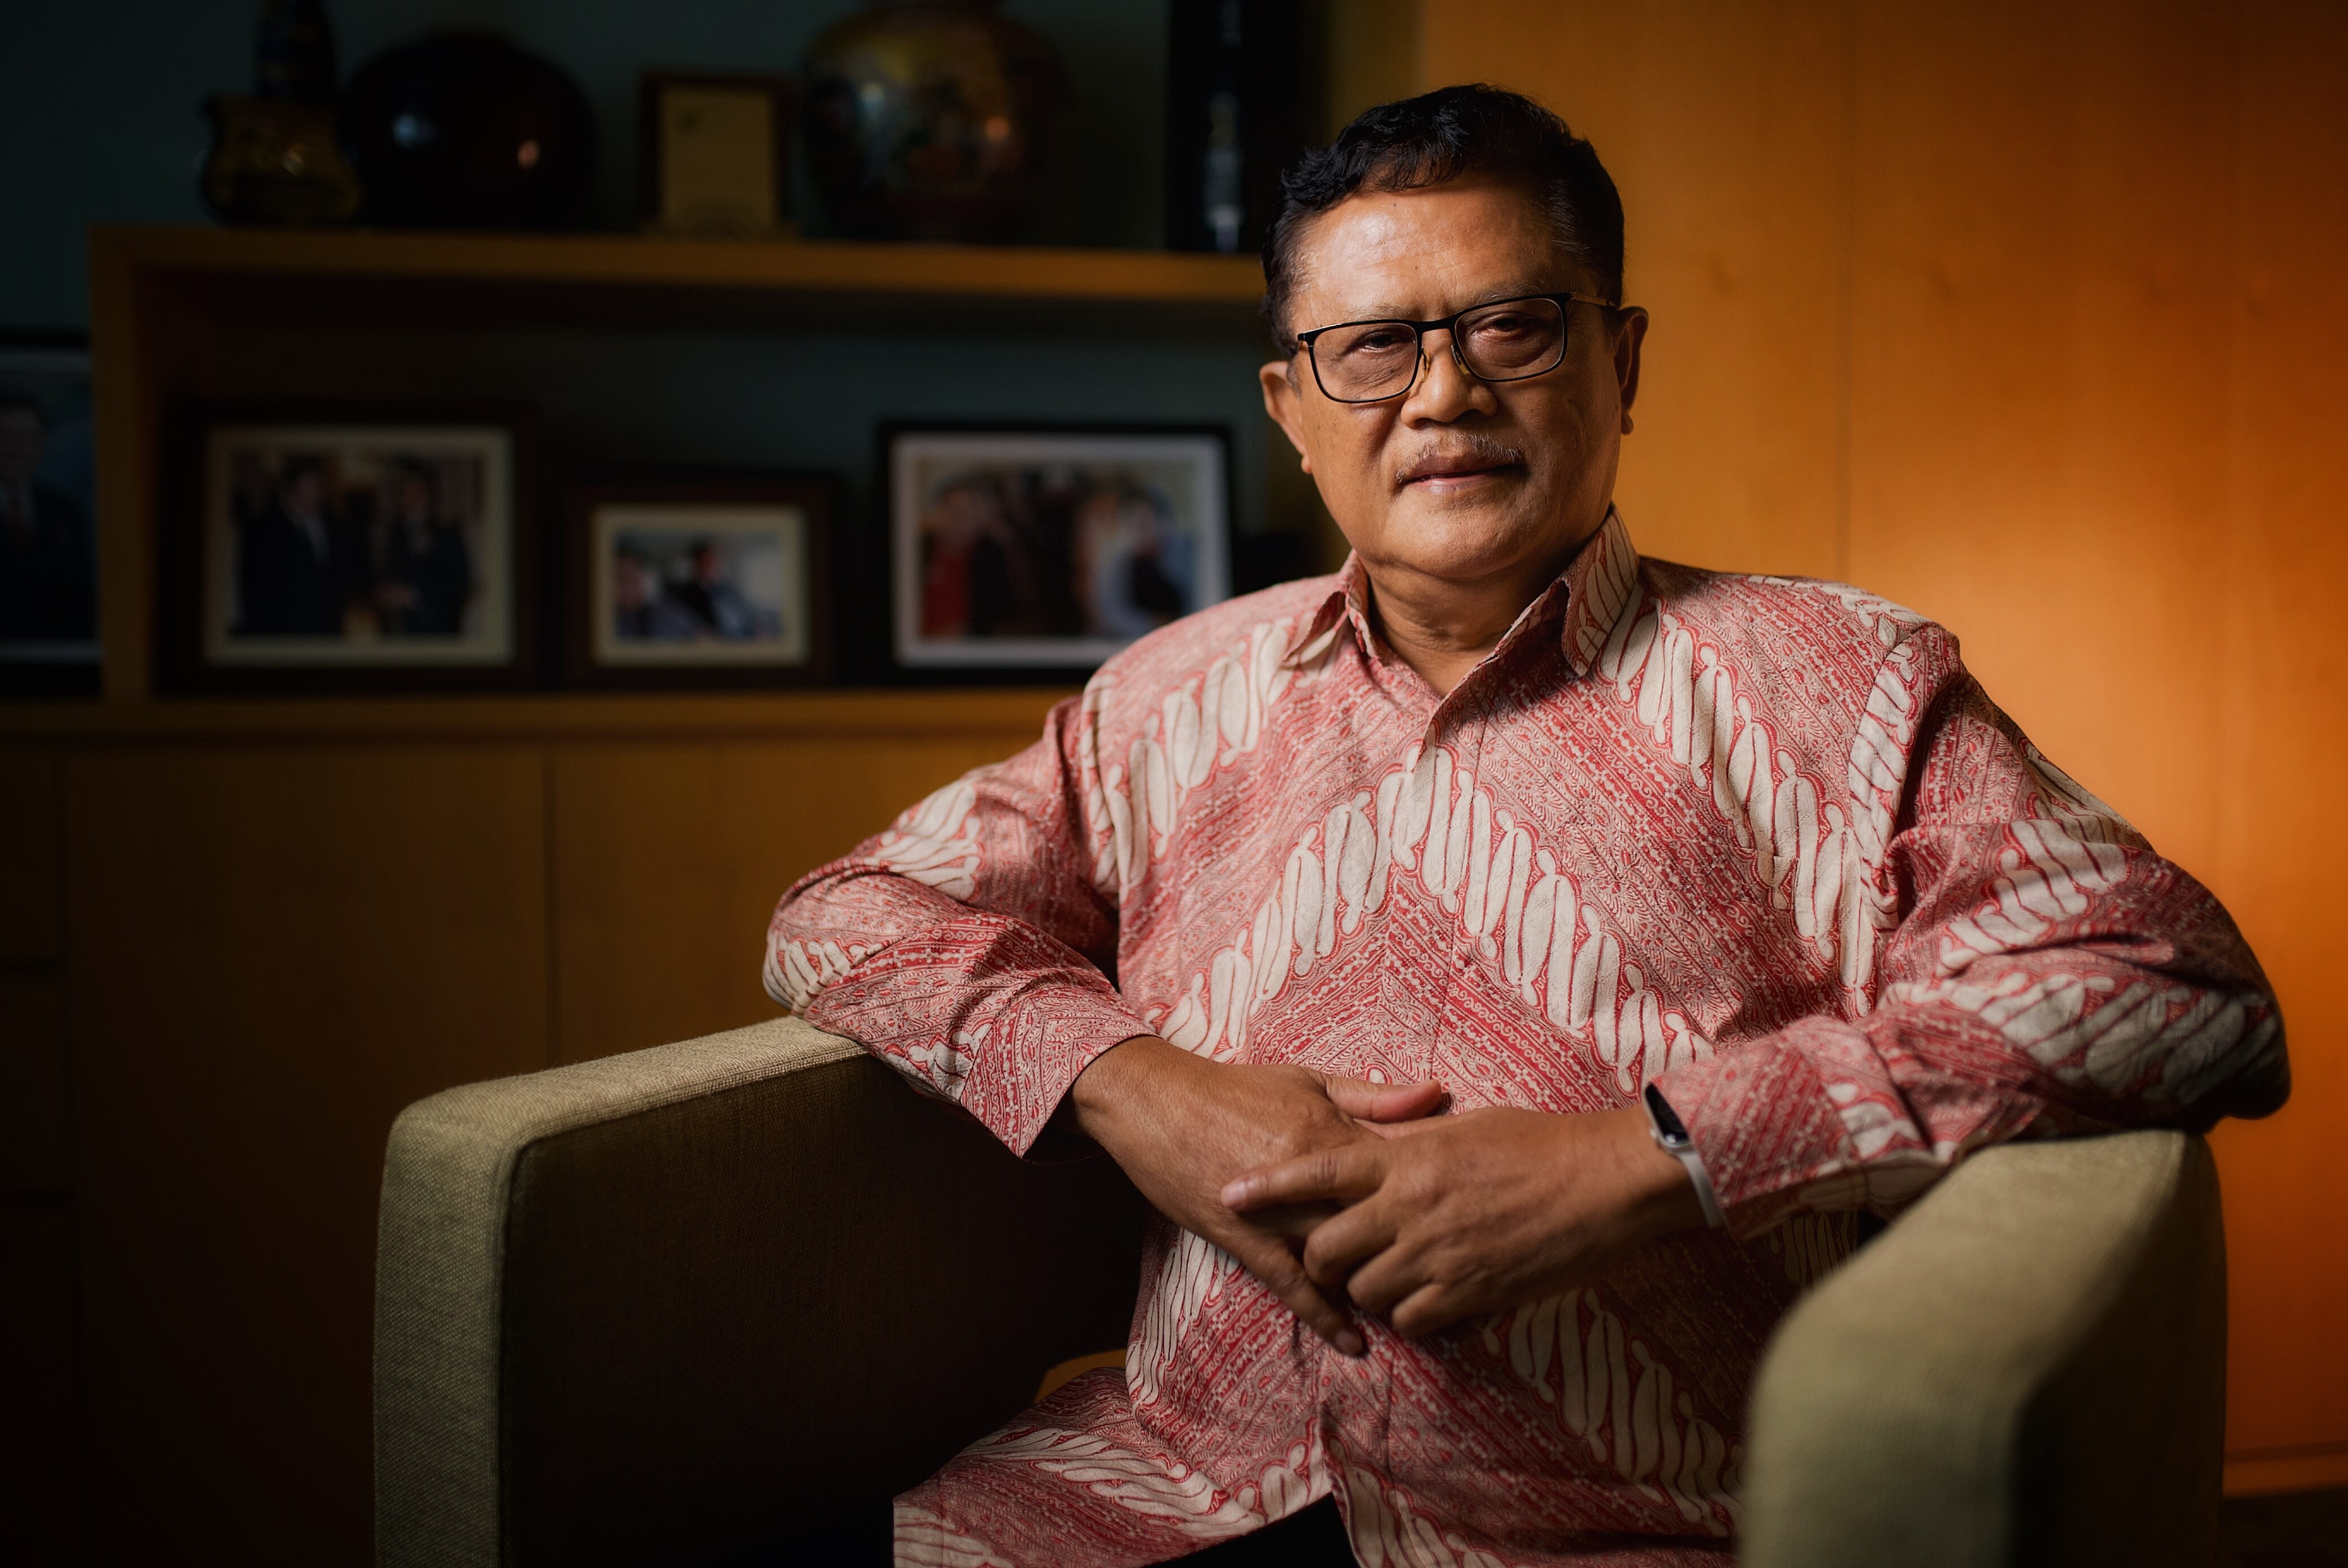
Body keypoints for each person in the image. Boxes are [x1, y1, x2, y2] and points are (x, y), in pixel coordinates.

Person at [765, 86, 2288, 1567]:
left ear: (1620, 363)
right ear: (1293, 408)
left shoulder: (1846, 684)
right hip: (1147, 1499)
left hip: (1622, 1522)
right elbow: (846, 911)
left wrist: (1638, 1157)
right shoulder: (1161, 697)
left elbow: (2174, 982)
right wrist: (1135, 1087)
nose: (1443, 393)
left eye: (1511, 324)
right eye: (1371, 346)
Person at [0, 392, 96, 643]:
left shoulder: (64, 508)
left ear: (41, 443)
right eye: (6, 437)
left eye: (27, 438)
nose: (16, 449)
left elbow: (78, 596)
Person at [235, 455, 348, 636]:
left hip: (327, 632)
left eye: (319, 483)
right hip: (282, 633)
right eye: (309, 483)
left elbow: (340, 576)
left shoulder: (334, 525)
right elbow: (256, 590)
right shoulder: (263, 530)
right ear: (292, 486)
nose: (316, 491)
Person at [374, 461, 473, 638]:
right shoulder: (395, 532)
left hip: (436, 632)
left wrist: (413, 596)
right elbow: (385, 574)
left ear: (425, 491)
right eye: (401, 488)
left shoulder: (447, 532)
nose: (403, 493)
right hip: (399, 633)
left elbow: (459, 586)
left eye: (409, 486)